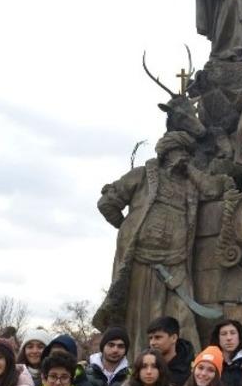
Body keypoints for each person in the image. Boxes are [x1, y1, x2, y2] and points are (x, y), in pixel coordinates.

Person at [95, 130, 229, 354]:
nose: (184, 157)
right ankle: (137, 365)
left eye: (187, 153)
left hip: (176, 262)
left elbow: (213, 190)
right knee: (137, 318)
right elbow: (107, 203)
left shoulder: (190, 183)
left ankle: (188, 368)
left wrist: (190, 169)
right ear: (166, 154)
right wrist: (128, 230)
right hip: (141, 260)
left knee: (182, 318)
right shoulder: (142, 176)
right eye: (180, 152)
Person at [148, 316, 195, 386]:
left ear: (173, 338)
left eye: (158, 337)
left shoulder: (192, 370)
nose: (152, 343)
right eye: (150, 338)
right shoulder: (143, 365)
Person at [209, 319, 242, 386]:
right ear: (218, 338)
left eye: (233, 333)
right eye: (224, 334)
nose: (229, 338)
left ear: (239, 336)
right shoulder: (210, 362)